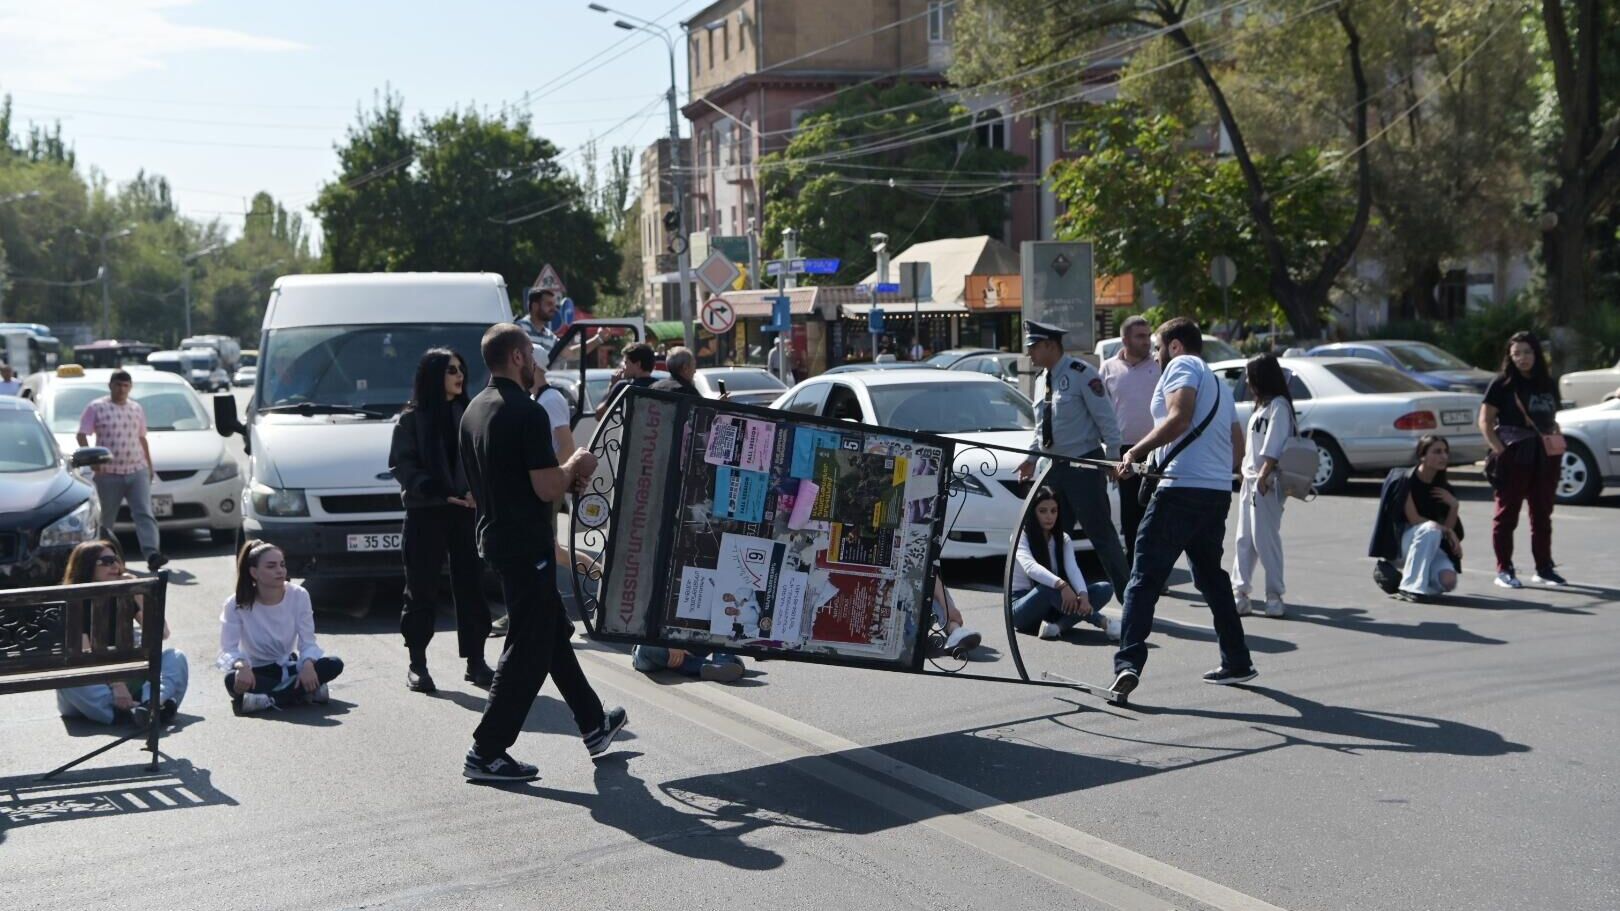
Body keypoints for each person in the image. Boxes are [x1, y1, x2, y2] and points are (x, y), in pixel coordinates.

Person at [459, 323, 626, 782]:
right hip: (525, 544)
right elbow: (548, 485)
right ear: (516, 357)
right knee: (528, 649)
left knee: (551, 634)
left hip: (497, 539)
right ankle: (486, 751)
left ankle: (593, 724)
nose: (535, 361)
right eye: (530, 353)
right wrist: (576, 463)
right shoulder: (525, 413)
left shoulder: (475, 410)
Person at [1113, 318, 1254, 697]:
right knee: (1211, 577)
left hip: (1180, 490)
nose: (1156, 356)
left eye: (1159, 347)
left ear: (1174, 346)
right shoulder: (1219, 385)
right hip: (1214, 492)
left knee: (1142, 579)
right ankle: (1238, 660)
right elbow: (1237, 447)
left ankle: (1127, 665)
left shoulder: (1183, 366)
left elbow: (1180, 418)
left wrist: (1134, 452)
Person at [389, 348, 495, 694]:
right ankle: (417, 664)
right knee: (420, 590)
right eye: (451, 370)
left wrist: (478, 492)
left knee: (472, 588)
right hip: (426, 513)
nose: (459, 374)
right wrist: (437, 490)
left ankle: (476, 662)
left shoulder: (471, 413)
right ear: (434, 375)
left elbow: (485, 460)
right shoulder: (410, 419)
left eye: (461, 368)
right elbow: (402, 466)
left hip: (465, 514)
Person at [1016, 321, 1130, 597]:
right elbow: (1041, 427)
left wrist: (1113, 458)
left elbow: (1107, 420)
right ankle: (1053, 601)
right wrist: (1032, 458)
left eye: (1033, 347)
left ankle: (1129, 598)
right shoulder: (1041, 379)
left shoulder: (1082, 374)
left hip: (1084, 465)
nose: (1029, 353)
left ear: (1050, 346)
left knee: (1101, 535)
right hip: (1052, 468)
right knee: (1051, 538)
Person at [55, 539, 189, 728]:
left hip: (130, 681)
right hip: (94, 687)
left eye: (116, 559)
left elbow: (162, 633)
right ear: (86, 567)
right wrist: (117, 684)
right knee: (71, 679)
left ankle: (148, 706)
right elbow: (84, 658)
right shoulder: (74, 604)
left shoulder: (125, 596)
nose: (116, 566)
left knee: (175, 658)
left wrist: (139, 592)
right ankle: (136, 713)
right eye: (107, 561)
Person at [217, 540, 344, 715]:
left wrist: (307, 666)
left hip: (289, 665)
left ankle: (269, 698)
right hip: (256, 670)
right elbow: (228, 649)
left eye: (282, 565)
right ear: (254, 572)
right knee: (231, 680)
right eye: (271, 566)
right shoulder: (235, 603)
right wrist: (242, 666)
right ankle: (303, 692)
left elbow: (308, 642)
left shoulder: (299, 595)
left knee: (334, 664)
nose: (280, 570)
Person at [1479, 330, 1564, 588]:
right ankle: (1504, 569)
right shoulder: (1502, 383)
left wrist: (1555, 434)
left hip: (1545, 455)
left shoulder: (1547, 383)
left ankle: (1544, 568)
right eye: (1516, 353)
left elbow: (1551, 415)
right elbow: (1485, 420)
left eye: (1527, 352)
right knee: (1507, 515)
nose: (1522, 358)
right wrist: (1500, 451)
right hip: (1514, 453)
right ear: (1510, 356)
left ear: (1536, 354)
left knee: (1542, 514)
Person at [75, 369, 166, 572]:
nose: (121, 389)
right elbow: (82, 434)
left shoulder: (136, 408)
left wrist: (149, 466)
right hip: (108, 472)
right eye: (118, 385)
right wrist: (93, 461)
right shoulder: (97, 407)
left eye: (125, 386)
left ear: (130, 387)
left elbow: (142, 438)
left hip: (136, 468)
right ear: (111, 386)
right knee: (106, 518)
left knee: (144, 513)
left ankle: (152, 554)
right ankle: (102, 558)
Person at [1009, 486, 1118, 641]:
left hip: (1053, 606)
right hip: (1022, 610)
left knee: (1104, 589)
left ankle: (1056, 628)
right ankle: (1104, 622)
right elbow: (1030, 568)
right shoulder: (1020, 536)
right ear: (1032, 512)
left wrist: (1083, 595)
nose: (1049, 516)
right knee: (1047, 588)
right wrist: (1062, 585)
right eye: (1043, 511)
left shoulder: (1063, 538)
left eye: (1054, 511)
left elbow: (1073, 569)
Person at [1230, 354, 1292, 618]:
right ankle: (1240, 593)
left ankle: (1274, 595)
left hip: (1266, 482)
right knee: (1244, 540)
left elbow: (1274, 445)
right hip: (1251, 480)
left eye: (1250, 374)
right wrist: (1244, 474)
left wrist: (1264, 475)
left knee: (1265, 541)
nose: (1247, 379)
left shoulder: (1279, 405)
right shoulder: (1262, 406)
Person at [1098, 315, 1161, 568]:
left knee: (1156, 511)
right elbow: (1100, 411)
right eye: (1140, 336)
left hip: (1157, 448)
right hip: (1125, 452)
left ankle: (1155, 566)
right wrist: (1109, 452)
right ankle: (1136, 566)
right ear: (1125, 339)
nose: (1147, 341)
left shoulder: (1159, 366)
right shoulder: (1108, 369)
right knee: (1131, 512)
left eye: (1148, 336)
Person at [1388, 435, 1464, 599]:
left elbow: (1448, 529)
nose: (1443, 456)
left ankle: (1406, 577)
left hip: (1430, 542)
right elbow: (1414, 519)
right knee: (1431, 528)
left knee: (1448, 581)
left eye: (1445, 452)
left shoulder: (1444, 487)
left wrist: (1454, 506)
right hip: (1403, 544)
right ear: (1422, 455)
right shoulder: (1406, 481)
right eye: (1437, 452)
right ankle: (1410, 587)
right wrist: (1447, 531)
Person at [596, 342, 657, 418]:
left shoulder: (624, 386)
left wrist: (612, 385)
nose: (623, 367)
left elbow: (599, 415)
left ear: (638, 364)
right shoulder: (660, 386)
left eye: (626, 363)